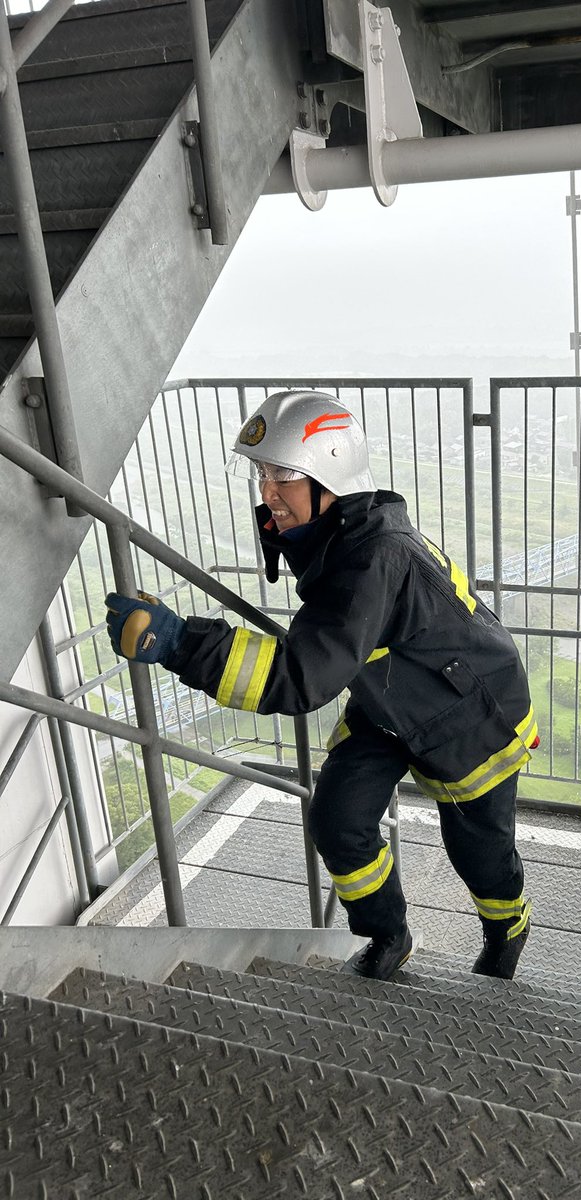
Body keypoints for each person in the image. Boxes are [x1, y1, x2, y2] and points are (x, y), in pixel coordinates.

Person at [105, 391, 536, 981]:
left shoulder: (370, 557)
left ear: (329, 473)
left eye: (283, 473)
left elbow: (298, 677)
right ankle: (389, 933)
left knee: (479, 853)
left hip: (470, 711)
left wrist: (179, 643)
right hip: (390, 695)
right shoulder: (342, 535)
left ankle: (507, 930)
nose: (267, 492)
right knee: (338, 816)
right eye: (262, 473)